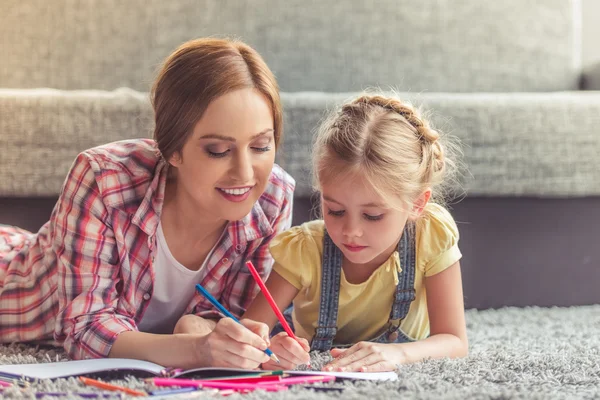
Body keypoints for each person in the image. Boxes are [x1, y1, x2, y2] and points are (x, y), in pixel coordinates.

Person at [0, 38, 295, 370]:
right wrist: (198, 349)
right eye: (218, 150)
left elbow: (232, 318)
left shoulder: (273, 197)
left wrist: (242, 341)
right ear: (173, 150)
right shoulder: (104, 178)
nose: (244, 172)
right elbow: (84, 330)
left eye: (260, 146)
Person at [244, 93, 468, 372]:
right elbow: (248, 336)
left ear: (417, 203)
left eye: (373, 215)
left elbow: (454, 340)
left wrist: (397, 354)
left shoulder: (431, 234)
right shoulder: (304, 250)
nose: (350, 232)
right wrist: (269, 353)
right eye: (335, 211)